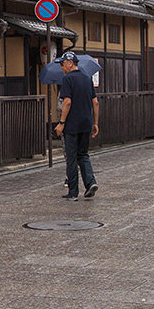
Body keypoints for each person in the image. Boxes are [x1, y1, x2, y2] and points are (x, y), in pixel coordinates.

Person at [53, 51, 99, 201]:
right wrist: (95, 123)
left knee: (72, 157)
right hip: (86, 123)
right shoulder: (87, 79)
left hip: (72, 125)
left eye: (62, 64)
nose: (61, 67)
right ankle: (90, 182)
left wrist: (61, 123)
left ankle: (73, 191)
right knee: (83, 154)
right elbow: (95, 102)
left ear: (70, 62)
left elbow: (67, 102)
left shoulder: (67, 79)